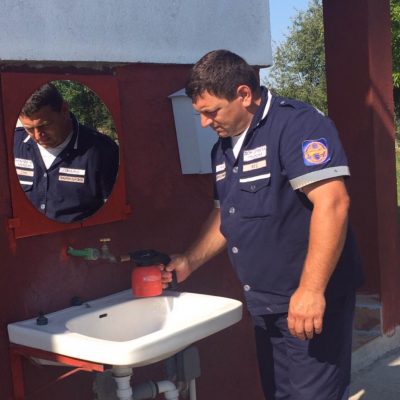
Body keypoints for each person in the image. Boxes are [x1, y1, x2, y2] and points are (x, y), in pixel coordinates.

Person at [162, 50, 363, 399]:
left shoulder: (297, 125)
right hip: (265, 304)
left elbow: (333, 203)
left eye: (211, 112)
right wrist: (190, 260)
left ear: (243, 94)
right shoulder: (223, 149)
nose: (205, 123)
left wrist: (311, 291)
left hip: (308, 299)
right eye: (200, 114)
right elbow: (226, 214)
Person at [14, 83, 119, 223]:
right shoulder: (13, 144)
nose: (38, 136)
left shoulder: (101, 151)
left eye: (44, 125)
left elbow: (115, 212)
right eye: (29, 129)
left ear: (64, 110)